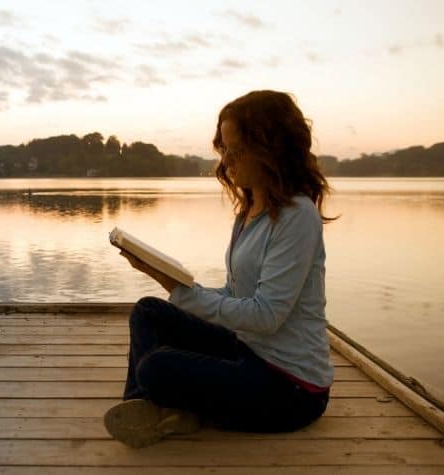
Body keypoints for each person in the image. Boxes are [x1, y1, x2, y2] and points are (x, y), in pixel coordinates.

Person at [104, 90, 340, 448]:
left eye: (237, 149)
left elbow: (266, 316)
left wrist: (184, 292)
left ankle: (160, 408)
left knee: (156, 368)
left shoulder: (297, 216)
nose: (227, 161)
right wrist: (167, 281)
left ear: (271, 148)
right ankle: (144, 409)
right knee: (148, 312)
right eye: (224, 149)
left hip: (291, 388)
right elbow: (235, 296)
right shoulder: (250, 211)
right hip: (249, 351)